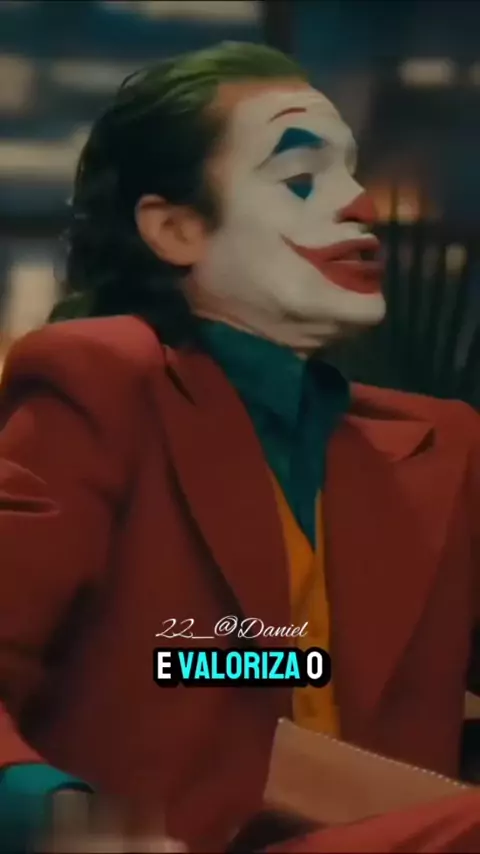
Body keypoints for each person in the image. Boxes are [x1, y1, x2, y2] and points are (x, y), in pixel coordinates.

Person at [0, 41, 480, 853]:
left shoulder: (443, 444)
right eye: (301, 178)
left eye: (352, 172)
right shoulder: (101, 383)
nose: (361, 204)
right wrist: (65, 824)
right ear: (176, 229)